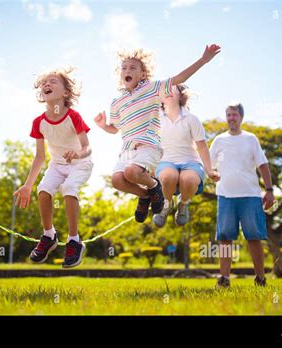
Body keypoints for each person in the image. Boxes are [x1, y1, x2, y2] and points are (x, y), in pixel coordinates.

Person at [94, 45, 221, 223]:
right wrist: (103, 126)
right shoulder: (117, 102)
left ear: (143, 74)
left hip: (149, 146)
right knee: (117, 180)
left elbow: (179, 78)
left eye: (132, 68)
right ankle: (146, 195)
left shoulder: (152, 89)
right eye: (124, 68)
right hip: (127, 150)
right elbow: (114, 128)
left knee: (131, 172)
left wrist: (203, 60)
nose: (127, 71)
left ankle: (155, 185)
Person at [13, 67, 93, 268]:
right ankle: (49, 235)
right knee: (43, 191)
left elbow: (87, 147)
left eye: (53, 81)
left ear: (66, 93)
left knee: (69, 189)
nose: (47, 84)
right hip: (56, 165)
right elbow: (40, 157)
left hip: (80, 164)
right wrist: (27, 185)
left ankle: (74, 240)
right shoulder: (38, 122)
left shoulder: (73, 116)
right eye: (44, 83)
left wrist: (78, 154)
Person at [209, 102, 275, 287]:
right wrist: (209, 173)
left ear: (241, 117)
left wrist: (269, 191)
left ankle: (260, 278)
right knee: (224, 238)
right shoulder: (219, 140)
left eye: (234, 114)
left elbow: (263, 165)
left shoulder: (251, 139)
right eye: (228, 114)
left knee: (254, 237)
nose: (231, 118)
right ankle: (224, 279)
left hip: (250, 195)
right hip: (225, 196)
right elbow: (207, 163)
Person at [153, 84, 219, 227]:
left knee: (188, 180)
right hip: (166, 161)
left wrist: (209, 170)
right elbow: (149, 144)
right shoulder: (156, 118)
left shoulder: (191, 119)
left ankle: (183, 204)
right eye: (165, 90)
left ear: (181, 95)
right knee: (168, 177)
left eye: (172, 88)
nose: (168, 91)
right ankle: (167, 204)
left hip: (190, 162)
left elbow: (201, 146)